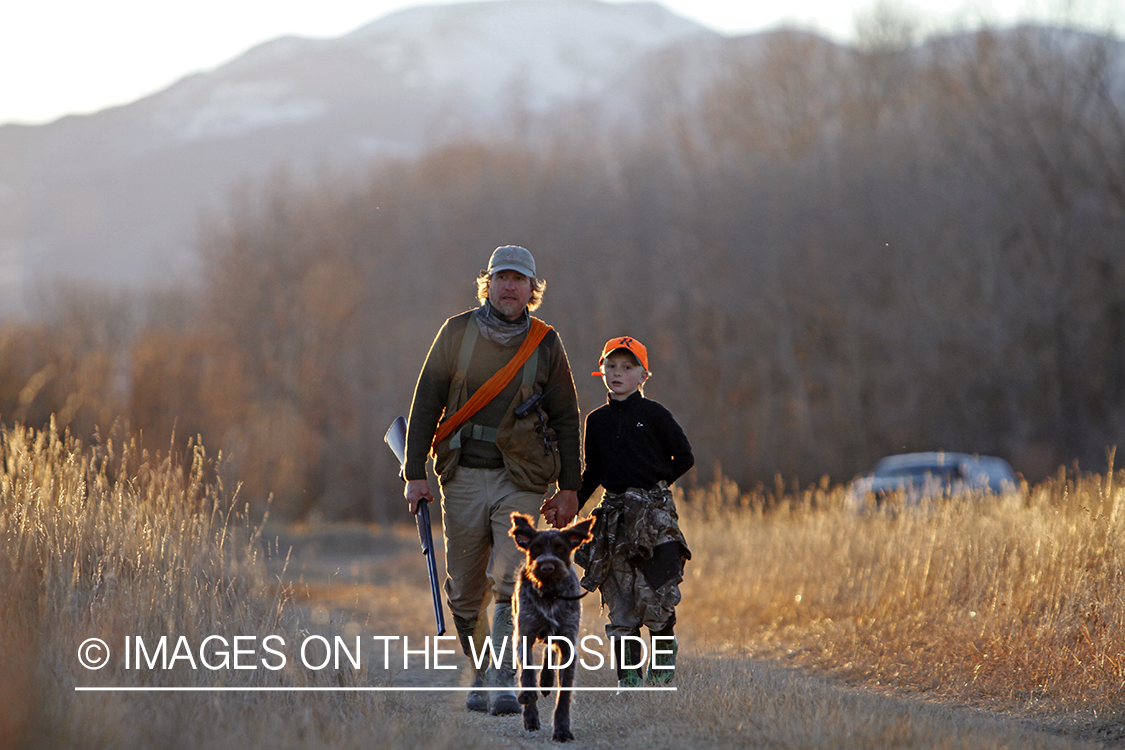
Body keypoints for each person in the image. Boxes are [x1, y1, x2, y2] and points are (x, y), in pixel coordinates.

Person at [403, 245, 581, 714]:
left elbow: (566, 417)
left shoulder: (546, 343)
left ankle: (504, 677)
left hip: (521, 477)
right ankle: (480, 668)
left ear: (531, 290)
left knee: (507, 577)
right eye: (502, 277)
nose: (509, 286)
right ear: (488, 283)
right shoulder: (456, 332)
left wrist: (569, 487)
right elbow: (425, 404)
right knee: (464, 592)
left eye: (519, 280)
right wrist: (414, 473)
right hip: (460, 475)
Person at [573, 336, 694, 687]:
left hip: (655, 517)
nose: (618, 373)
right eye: (611, 367)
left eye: (627, 367)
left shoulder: (654, 414)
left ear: (643, 375)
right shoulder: (595, 422)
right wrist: (571, 505)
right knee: (620, 601)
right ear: (602, 371)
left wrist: (656, 487)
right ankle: (629, 678)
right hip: (612, 519)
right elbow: (592, 473)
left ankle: (660, 670)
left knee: (656, 596)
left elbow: (685, 457)